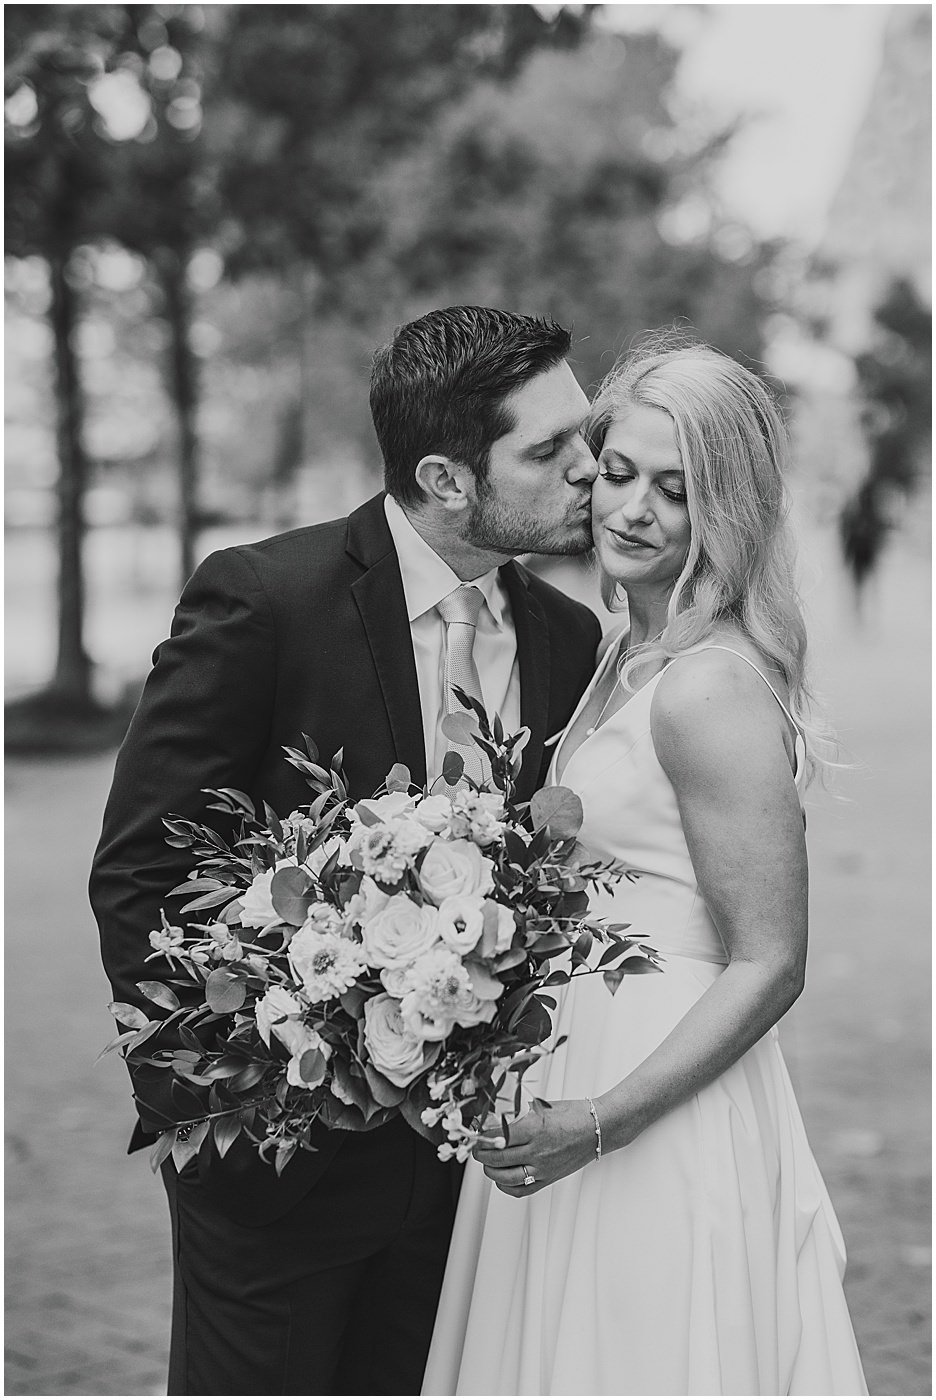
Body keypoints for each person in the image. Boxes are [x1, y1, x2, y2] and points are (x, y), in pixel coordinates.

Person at [89, 305, 603, 1396]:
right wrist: (220, 1105)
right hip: (278, 1181)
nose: (590, 469)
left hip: (468, 1194)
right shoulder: (265, 598)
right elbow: (141, 867)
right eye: (551, 449)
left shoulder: (571, 640)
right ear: (448, 477)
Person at [422, 337, 868, 1396]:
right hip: (567, 1077)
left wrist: (598, 1118)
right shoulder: (623, 648)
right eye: (617, 470)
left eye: (675, 490)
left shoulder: (707, 686)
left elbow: (771, 960)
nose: (630, 509)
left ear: (728, 505)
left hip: (654, 1102)